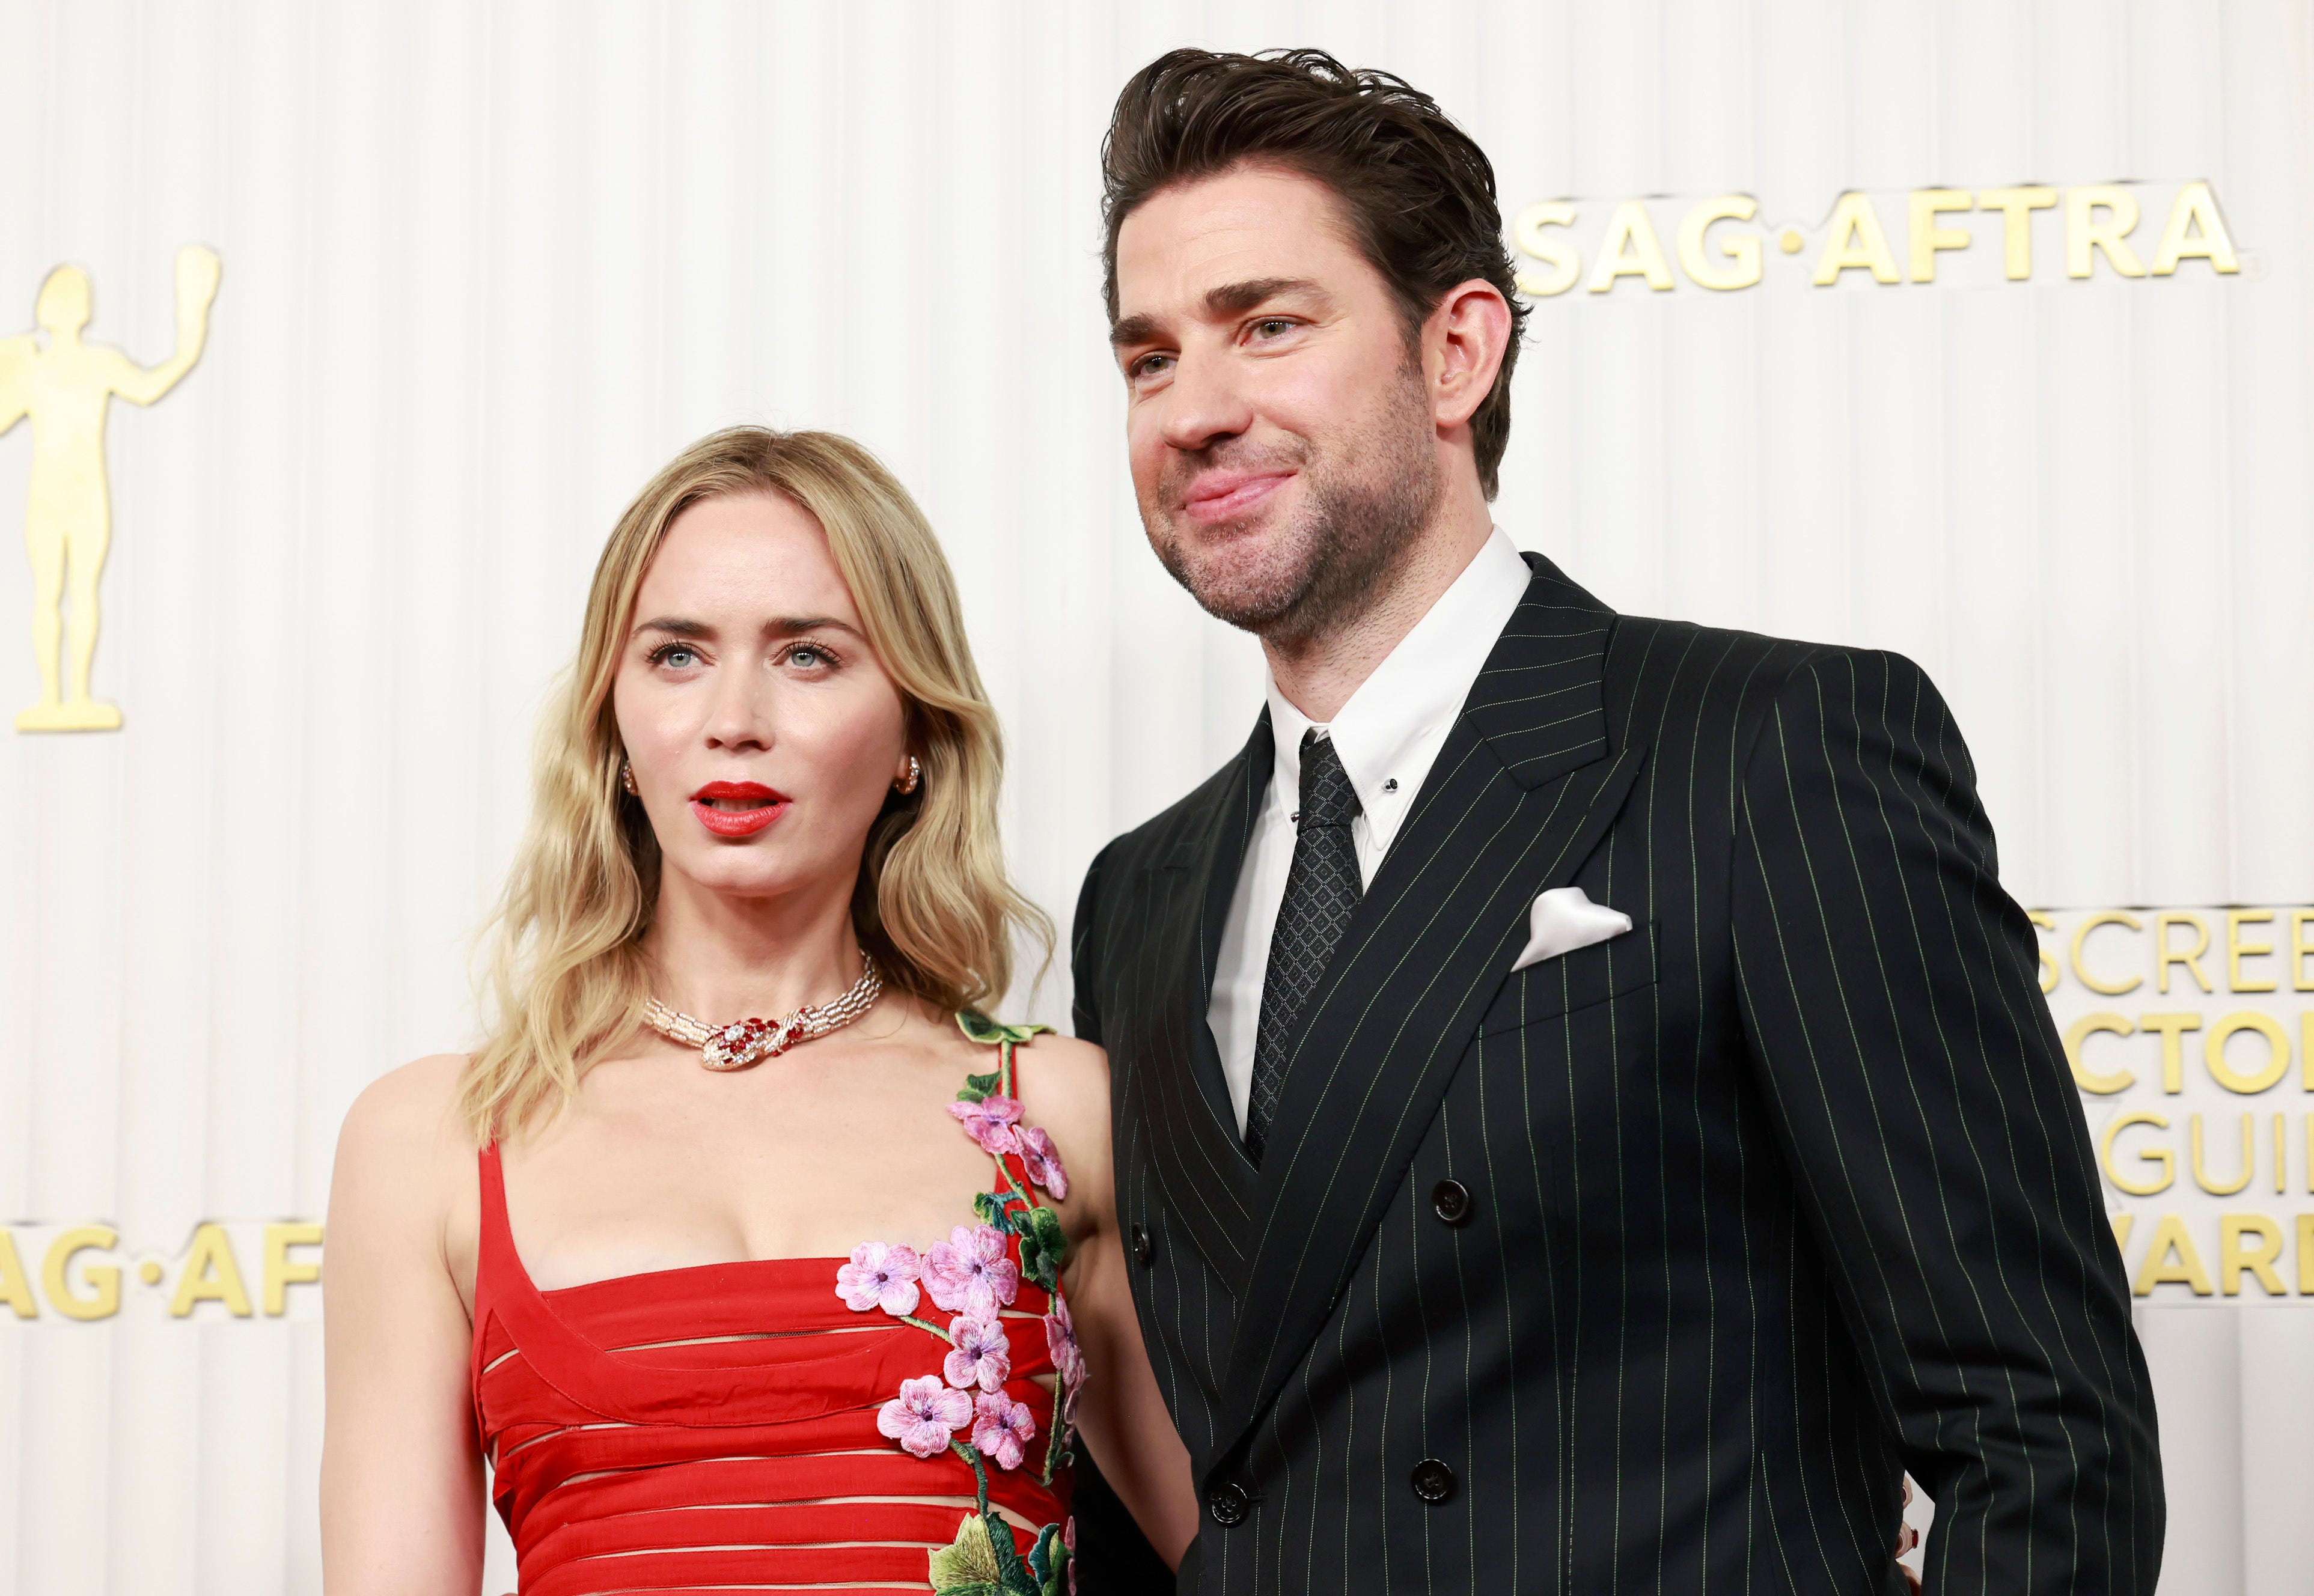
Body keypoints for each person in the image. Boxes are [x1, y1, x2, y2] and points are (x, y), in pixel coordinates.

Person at [1070, 48, 2164, 1594]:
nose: (1195, 408)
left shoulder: (1770, 754)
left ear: (1455, 355)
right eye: (1150, 358)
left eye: (1269, 325)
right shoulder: (1143, 894)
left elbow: (2043, 1434)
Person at [322, 427, 1197, 1593]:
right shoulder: (430, 1137)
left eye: (809, 656)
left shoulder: (1054, 1107)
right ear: (616, 731)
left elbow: (1257, 1548)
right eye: (677, 654)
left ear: (911, 738)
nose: (734, 716)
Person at [1, 246, 219, 730]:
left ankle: (66, 698)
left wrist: (192, 327)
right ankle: (65, 698)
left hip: (66, 498)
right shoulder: (55, 366)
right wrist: (191, 329)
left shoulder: (43, 368)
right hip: (71, 499)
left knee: (58, 594)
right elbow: (150, 385)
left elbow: (147, 388)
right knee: (74, 592)